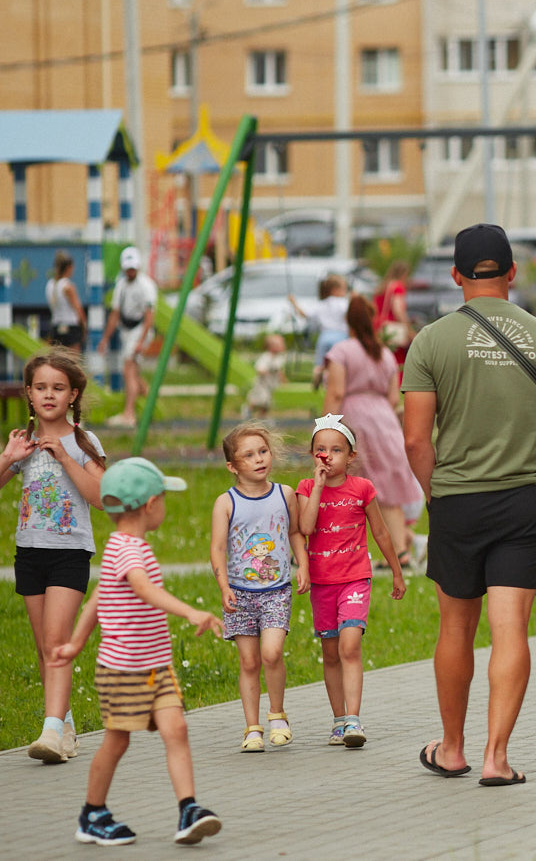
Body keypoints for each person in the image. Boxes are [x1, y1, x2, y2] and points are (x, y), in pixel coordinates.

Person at [402, 223, 536, 787]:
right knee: (511, 630)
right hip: (527, 501)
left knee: (456, 627)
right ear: (511, 272)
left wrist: (439, 495)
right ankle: (497, 759)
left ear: (456, 275)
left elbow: (415, 440)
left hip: (457, 500)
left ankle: (453, 749)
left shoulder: (429, 342)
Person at [48, 457, 224, 847]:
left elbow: (98, 599)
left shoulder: (124, 545)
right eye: (163, 499)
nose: (164, 507)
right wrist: (190, 610)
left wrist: (75, 643)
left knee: (176, 729)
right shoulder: (129, 550)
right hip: (124, 669)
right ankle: (92, 813)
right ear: (149, 505)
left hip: (154, 666)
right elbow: (143, 590)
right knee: (117, 740)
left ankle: (188, 808)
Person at [3, 349, 106, 764]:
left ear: (73, 394)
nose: (48, 395)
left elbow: (101, 498)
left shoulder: (84, 442)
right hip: (29, 552)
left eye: (57, 388)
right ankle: (62, 727)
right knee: (44, 647)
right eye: (41, 387)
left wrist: (64, 456)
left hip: (69, 553)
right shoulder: (21, 442)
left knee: (56, 644)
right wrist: (9, 459)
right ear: (29, 394)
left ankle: (49, 731)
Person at [295, 414, 406, 749]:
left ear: (351, 456)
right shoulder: (304, 488)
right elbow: (307, 527)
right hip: (322, 583)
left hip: (355, 578)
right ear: (312, 454)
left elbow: (381, 531)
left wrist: (396, 571)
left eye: (336, 450)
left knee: (349, 646)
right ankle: (339, 720)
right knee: (330, 655)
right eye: (320, 450)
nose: (327, 457)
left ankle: (354, 720)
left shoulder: (362, 488)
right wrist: (316, 486)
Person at [208, 422, 308, 753]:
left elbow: (295, 532)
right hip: (239, 593)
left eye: (262, 451)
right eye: (248, 455)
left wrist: (302, 564)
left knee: (272, 653)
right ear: (232, 466)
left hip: (277, 590)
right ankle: (253, 728)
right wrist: (223, 586)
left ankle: (277, 714)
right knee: (249, 662)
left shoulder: (285, 494)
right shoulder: (226, 502)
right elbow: (218, 548)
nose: (259, 459)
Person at [325, 296, 427, 569]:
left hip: (355, 420)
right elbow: (394, 396)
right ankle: (401, 552)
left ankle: (340, 552)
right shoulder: (383, 353)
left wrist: (325, 426)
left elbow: (335, 392)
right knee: (387, 491)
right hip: (385, 420)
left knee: (346, 488)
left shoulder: (341, 351)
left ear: (348, 321)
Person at [99, 247, 158, 427]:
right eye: (128, 268)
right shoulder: (121, 285)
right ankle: (149, 399)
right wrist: (106, 338)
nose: (130, 271)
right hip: (126, 329)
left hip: (140, 330)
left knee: (128, 369)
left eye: (133, 268)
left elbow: (149, 316)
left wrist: (141, 341)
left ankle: (129, 414)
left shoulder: (146, 286)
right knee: (134, 372)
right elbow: (115, 313)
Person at [289, 274, 349, 390]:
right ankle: (337, 383)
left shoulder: (321, 304)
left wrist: (293, 302)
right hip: (341, 337)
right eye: (344, 288)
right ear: (335, 290)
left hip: (325, 336)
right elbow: (350, 317)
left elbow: (304, 314)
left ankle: (317, 375)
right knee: (340, 364)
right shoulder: (344, 303)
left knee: (321, 364)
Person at [372, 260, 413, 363]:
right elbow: (398, 310)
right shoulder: (398, 287)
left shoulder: (382, 287)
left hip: (378, 326)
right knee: (396, 361)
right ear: (404, 274)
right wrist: (408, 328)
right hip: (392, 329)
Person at [46, 251, 87, 350]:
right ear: (68, 267)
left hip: (56, 326)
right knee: (72, 361)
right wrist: (84, 326)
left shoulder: (50, 284)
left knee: (58, 360)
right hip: (71, 327)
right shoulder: (68, 286)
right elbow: (78, 308)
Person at [244, 334, 287, 418]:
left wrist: (283, 379)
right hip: (262, 385)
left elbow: (279, 370)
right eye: (280, 345)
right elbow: (259, 368)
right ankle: (248, 409)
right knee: (259, 401)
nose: (283, 346)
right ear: (271, 347)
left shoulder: (279, 358)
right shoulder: (266, 357)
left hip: (270, 385)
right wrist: (265, 372)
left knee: (266, 404)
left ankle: (262, 418)